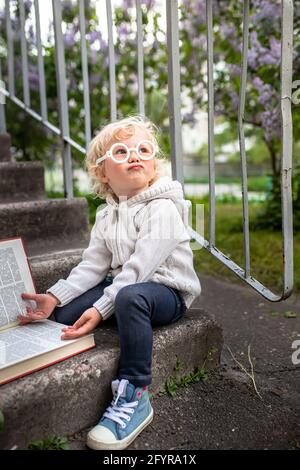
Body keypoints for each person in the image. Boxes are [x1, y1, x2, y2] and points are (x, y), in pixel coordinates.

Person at [18, 115, 201, 450]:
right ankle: (89, 310)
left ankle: (135, 395)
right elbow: (92, 266)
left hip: (164, 292)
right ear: (102, 172)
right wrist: (56, 298)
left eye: (143, 150)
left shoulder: (163, 208)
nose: (134, 156)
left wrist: (101, 309)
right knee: (62, 315)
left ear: (154, 164)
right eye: (121, 151)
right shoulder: (106, 215)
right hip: (124, 288)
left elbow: (140, 270)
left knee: (129, 298)